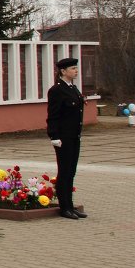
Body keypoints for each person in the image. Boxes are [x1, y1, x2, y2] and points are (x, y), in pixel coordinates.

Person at [46, 56, 87, 220]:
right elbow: (53, 115)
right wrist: (54, 136)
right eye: (73, 69)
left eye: (76, 69)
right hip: (63, 137)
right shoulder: (56, 90)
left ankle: (71, 205)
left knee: (71, 171)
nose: (76, 71)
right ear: (63, 71)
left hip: (74, 136)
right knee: (64, 172)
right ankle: (64, 207)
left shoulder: (73, 88)